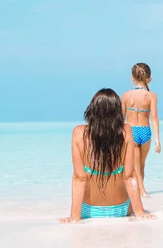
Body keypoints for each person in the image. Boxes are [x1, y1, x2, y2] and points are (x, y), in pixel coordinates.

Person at [60, 88, 153, 222]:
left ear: (92, 110)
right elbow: (130, 175)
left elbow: (79, 178)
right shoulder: (126, 131)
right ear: (117, 112)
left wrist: (74, 216)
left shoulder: (78, 133)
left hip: (87, 209)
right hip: (121, 209)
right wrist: (139, 212)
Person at [121, 63, 161, 197]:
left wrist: (119, 135)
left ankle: (141, 190)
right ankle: (140, 190)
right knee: (141, 165)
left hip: (131, 131)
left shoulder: (126, 95)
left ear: (132, 78)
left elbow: (121, 118)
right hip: (145, 131)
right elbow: (154, 117)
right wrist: (157, 139)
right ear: (149, 79)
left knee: (136, 165)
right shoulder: (151, 96)